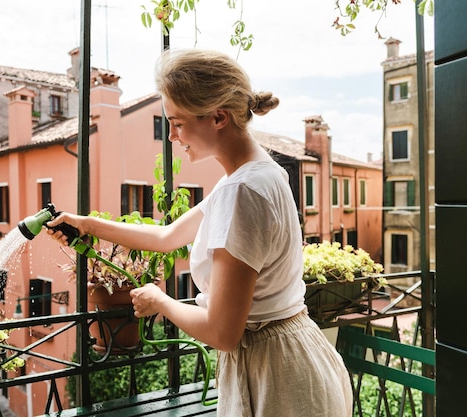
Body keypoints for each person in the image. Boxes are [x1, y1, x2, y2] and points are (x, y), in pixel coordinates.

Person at [47, 49, 352, 417]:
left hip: (276, 374)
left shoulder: (242, 191)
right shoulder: (256, 175)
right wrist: (88, 225)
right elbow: (168, 237)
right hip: (292, 356)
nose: (173, 136)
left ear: (219, 117)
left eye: (177, 123)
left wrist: (160, 302)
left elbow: (222, 332)